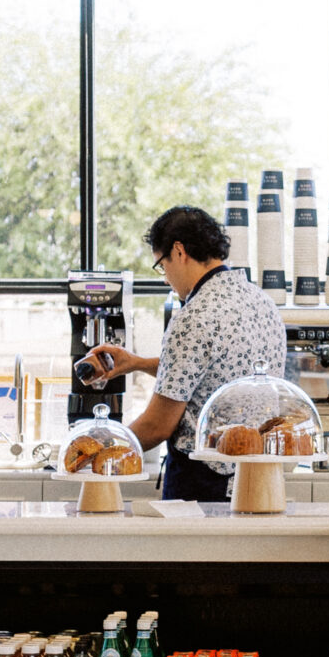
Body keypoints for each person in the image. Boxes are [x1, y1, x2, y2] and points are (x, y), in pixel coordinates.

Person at [81, 205, 287, 503]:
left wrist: (95, 451)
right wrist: (136, 363)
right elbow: (215, 371)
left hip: (203, 482)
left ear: (179, 251)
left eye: (161, 265)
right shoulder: (261, 302)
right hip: (259, 479)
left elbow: (157, 426)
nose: (165, 277)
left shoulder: (193, 315)